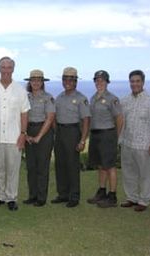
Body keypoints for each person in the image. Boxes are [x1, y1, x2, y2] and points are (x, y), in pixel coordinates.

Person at [0, 56, 30, 211]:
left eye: (9, 67)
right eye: (3, 67)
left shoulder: (20, 90)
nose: (6, 70)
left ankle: (11, 197)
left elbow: (24, 113)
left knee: (12, 169)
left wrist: (23, 133)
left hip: (14, 136)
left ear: (13, 69)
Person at [120, 70, 150, 212]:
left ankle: (144, 201)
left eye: (137, 81)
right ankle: (131, 198)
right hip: (127, 143)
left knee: (145, 174)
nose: (135, 84)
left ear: (143, 82)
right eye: (132, 81)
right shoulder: (124, 101)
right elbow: (121, 121)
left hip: (144, 144)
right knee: (128, 172)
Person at [52, 67, 90, 208]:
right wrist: (57, 131)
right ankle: (63, 194)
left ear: (75, 81)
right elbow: (54, 117)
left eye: (70, 79)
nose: (67, 82)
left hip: (73, 132)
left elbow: (86, 120)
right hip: (60, 132)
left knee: (72, 165)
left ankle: (74, 196)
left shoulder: (81, 98)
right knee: (60, 164)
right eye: (65, 79)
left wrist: (82, 140)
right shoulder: (59, 97)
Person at [86, 70, 123, 208]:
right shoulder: (93, 98)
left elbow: (119, 118)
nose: (99, 83)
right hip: (96, 135)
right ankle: (102, 192)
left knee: (110, 166)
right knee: (101, 165)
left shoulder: (112, 99)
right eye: (97, 80)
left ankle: (112, 197)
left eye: (102, 80)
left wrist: (116, 136)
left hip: (108, 134)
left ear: (107, 82)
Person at [23, 69, 55, 207]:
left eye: (38, 80)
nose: (35, 82)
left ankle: (41, 198)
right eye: (33, 80)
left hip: (44, 132)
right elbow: (22, 116)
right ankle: (32, 195)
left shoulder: (48, 97)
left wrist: (39, 136)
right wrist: (25, 134)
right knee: (31, 166)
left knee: (42, 166)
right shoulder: (26, 97)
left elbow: (50, 118)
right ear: (30, 82)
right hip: (28, 130)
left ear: (42, 82)